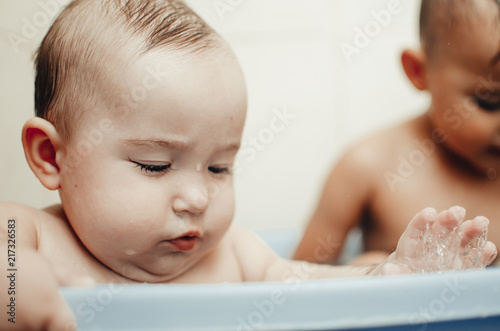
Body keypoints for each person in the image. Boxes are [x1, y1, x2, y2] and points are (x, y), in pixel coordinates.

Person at [0, 0, 496, 330]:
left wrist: (388, 276)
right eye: (154, 165)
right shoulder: (37, 239)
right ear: (51, 157)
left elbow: (307, 286)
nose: (198, 198)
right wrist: (15, 282)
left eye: (219, 169)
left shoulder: (232, 255)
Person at [293, 0, 500, 265]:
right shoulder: (367, 167)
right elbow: (295, 282)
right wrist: (365, 273)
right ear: (419, 71)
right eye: (489, 101)